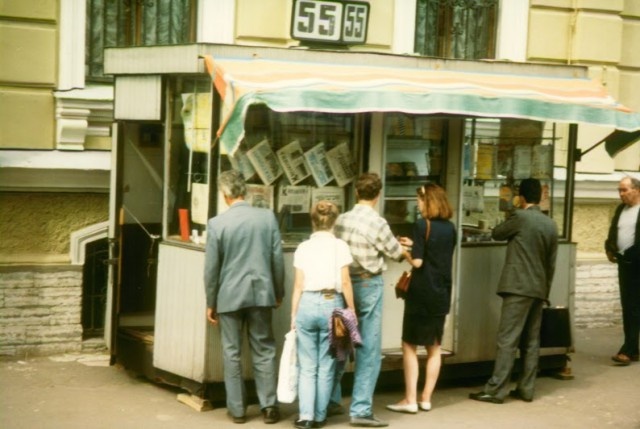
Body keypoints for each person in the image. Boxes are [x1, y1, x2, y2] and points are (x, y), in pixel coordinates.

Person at [204, 170, 285, 424]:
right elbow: (277, 260)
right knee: (264, 349)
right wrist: (278, 291)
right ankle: (269, 406)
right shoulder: (267, 218)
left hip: (229, 296)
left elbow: (212, 270)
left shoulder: (217, 224)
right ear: (244, 191)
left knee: (232, 352)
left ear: (225, 195)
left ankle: (237, 409)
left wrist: (211, 302)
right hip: (262, 293)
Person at [332, 172, 411, 428]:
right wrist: (405, 248)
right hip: (368, 283)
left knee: (340, 341)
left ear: (356, 192)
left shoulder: (341, 220)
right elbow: (395, 253)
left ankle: (330, 399)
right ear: (378, 195)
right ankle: (361, 409)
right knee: (368, 348)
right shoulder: (378, 223)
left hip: (343, 284)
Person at [469, 178, 558, 404]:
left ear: (522, 197)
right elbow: (551, 263)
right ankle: (526, 389)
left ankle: (496, 389)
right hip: (538, 288)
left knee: (507, 339)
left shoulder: (520, 217)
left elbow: (497, 233)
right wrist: (544, 291)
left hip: (518, 287)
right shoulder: (550, 224)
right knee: (530, 341)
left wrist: (512, 211)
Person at [386, 183, 456, 414]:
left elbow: (418, 262)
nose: (417, 204)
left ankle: (410, 400)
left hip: (421, 293)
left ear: (428, 201)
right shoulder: (450, 228)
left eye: (419, 200)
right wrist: (416, 245)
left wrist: (403, 250)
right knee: (434, 347)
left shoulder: (420, 225)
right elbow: (436, 254)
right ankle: (426, 398)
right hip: (442, 292)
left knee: (409, 344)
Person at [291, 201, 357, 429]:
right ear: (335, 222)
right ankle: (320, 416)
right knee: (327, 365)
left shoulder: (303, 248)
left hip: (307, 304)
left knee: (307, 366)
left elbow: (298, 285)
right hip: (333, 305)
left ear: (312, 221)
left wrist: (293, 314)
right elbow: (346, 282)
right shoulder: (340, 247)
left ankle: (305, 416)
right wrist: (352, 311)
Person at [605, 176, 640, 365]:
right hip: (625, 264)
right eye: (619, 190)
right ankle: (632, 348)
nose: (621, 194)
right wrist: (610, 248)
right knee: (629, 307)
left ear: (637, 190)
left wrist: (628, 254)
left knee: (634, 307)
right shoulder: (621, 209)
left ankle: (629, 350)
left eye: (624, 190)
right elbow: (613, 231)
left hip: (637, 263)